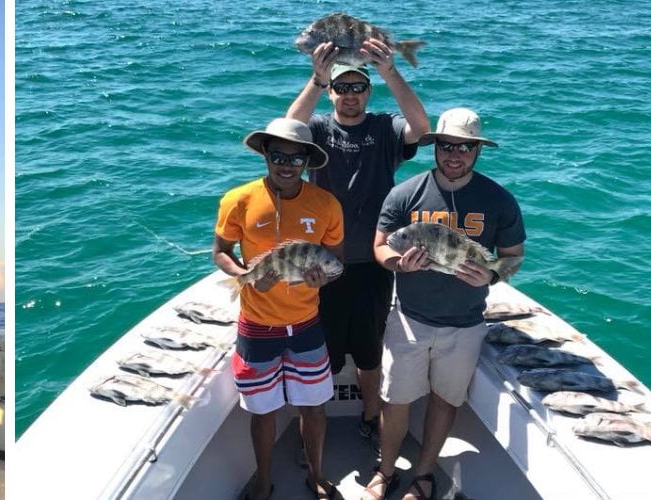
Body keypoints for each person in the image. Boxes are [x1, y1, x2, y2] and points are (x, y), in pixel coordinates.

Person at [368, 108, 525, 500]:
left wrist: (490, 275)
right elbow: (380, 246)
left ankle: (422, 476)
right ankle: (384, 471)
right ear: (435, 147)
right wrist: (398, 265)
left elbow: (512, 256)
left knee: (444, 400)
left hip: (466, 323)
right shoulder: (406, 193)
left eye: (465, 148)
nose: (455, 155)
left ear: (477, 151)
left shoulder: (499, 199)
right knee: (396, 400)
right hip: (409, 320)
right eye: (447, 146)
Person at [284, 36, 430, 441]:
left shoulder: (385, 127)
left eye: (358, 87)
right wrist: (315, 78)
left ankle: (369, 416)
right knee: (321, 353)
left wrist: (390, 70)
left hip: (373, 260)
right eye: (341, 87)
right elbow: (287, 128)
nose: (350, 95)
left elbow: (422, 128)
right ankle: (318, 426)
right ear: (331, 92)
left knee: (369, 353)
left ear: (368, 91)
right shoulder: (316, 128)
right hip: (322, 260)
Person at [215, 118, 344, 500]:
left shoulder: (325, 204)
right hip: (256, 326)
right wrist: (244, 275)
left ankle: (316, 475)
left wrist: (326, 278)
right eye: (278, 156)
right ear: (265, 156)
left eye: (295, 157)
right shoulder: (237, 199)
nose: (286, 164)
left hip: (306, 324)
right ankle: (263, 479)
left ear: (306, 160)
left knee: (314, 407)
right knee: (261, 411)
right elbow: (220, 252)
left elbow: (336, 261)